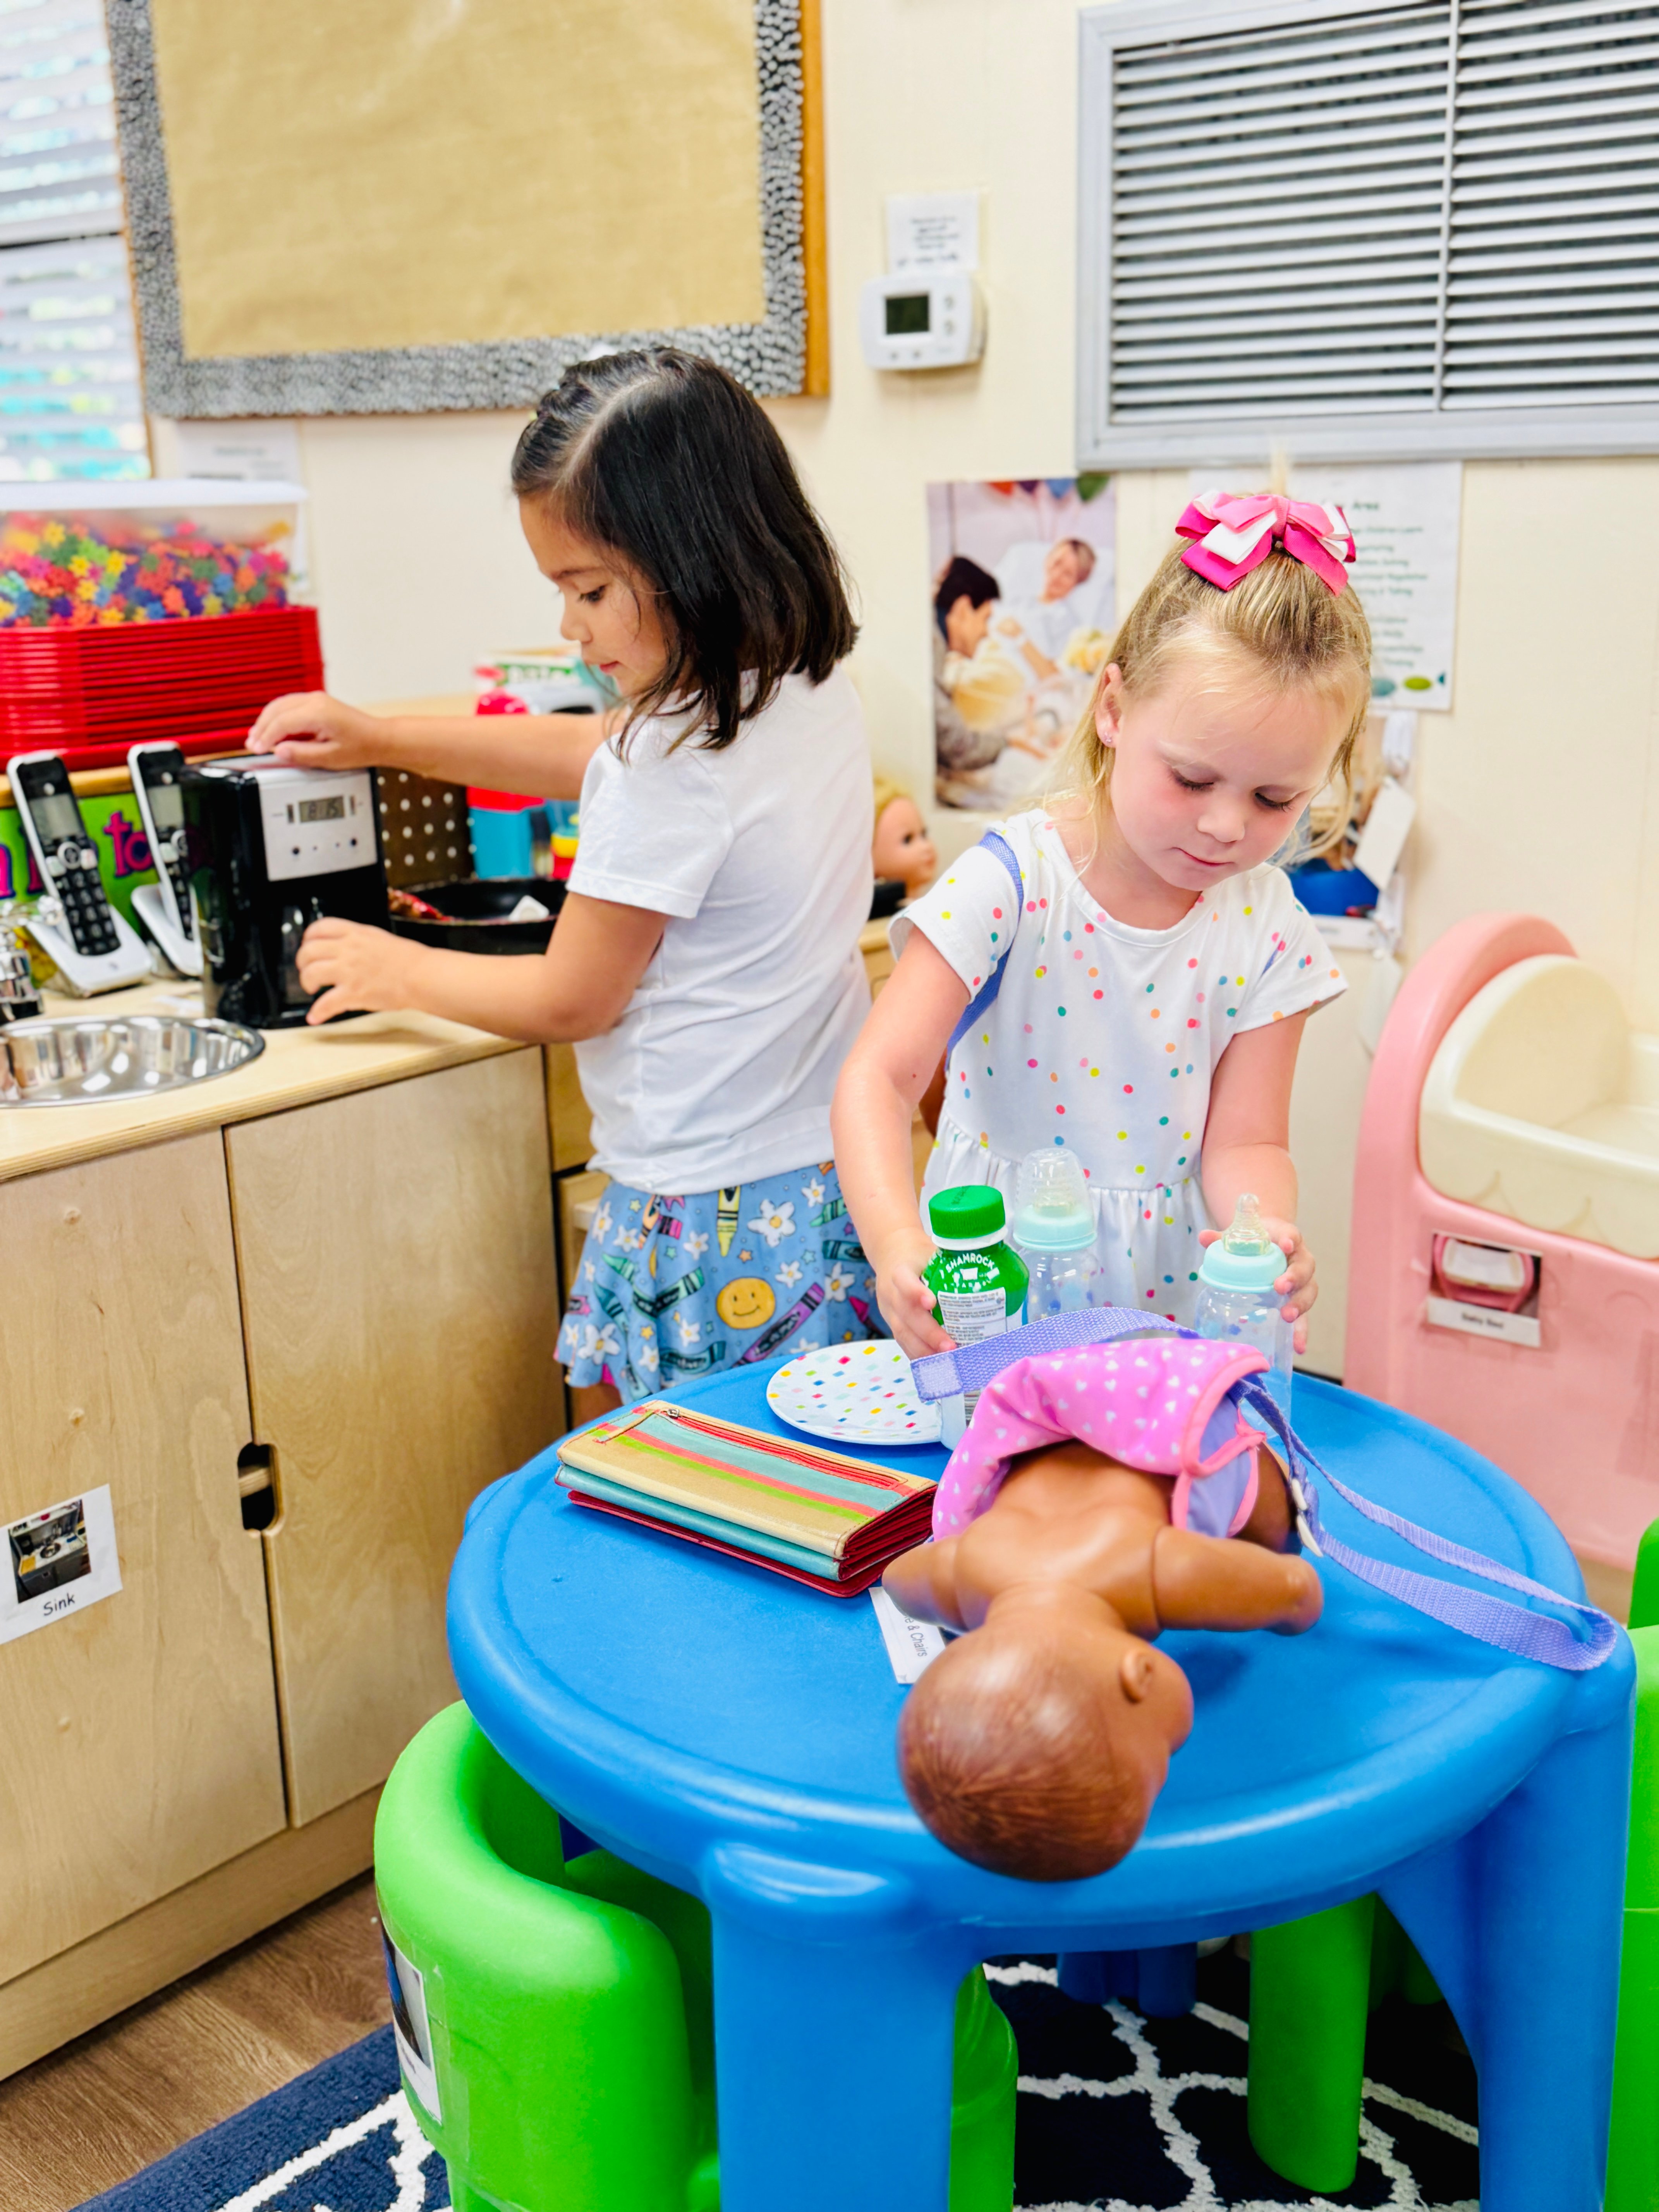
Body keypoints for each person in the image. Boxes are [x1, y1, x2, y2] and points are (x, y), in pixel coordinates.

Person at [246, 347, 883, 1410]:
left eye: (587, 590)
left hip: (701, 1211)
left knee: (688, 1497)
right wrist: (387, 738)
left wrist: (393, 967)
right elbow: (598, 751)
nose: (568, 626)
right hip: (821, 1185)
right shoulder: (796, 692)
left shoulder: (669, 765)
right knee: (803, 1491)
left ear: (696, 563)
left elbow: (570, 996)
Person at [833, 489, 1369, 1355]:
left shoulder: (1265, 924)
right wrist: (899, 1247)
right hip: (996, 1291)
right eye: (1193, 780)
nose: (1228, 826)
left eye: (1276, 798)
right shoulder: (1012, 882)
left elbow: (1250, 1140)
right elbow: (879, 1080)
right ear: (1113, 709)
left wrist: (1262, 1232)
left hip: (1164, 1310)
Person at [882, 1333, 1322, 1880]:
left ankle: (1266, 1470)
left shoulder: (1166, 1572)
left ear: (1140, 1674)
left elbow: (1298, 1589)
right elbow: (899, 1579)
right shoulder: (961, 1576)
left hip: (1169, 1407)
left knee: (1274, 1525)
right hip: (1050, 1417)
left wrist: (1292, 1605)